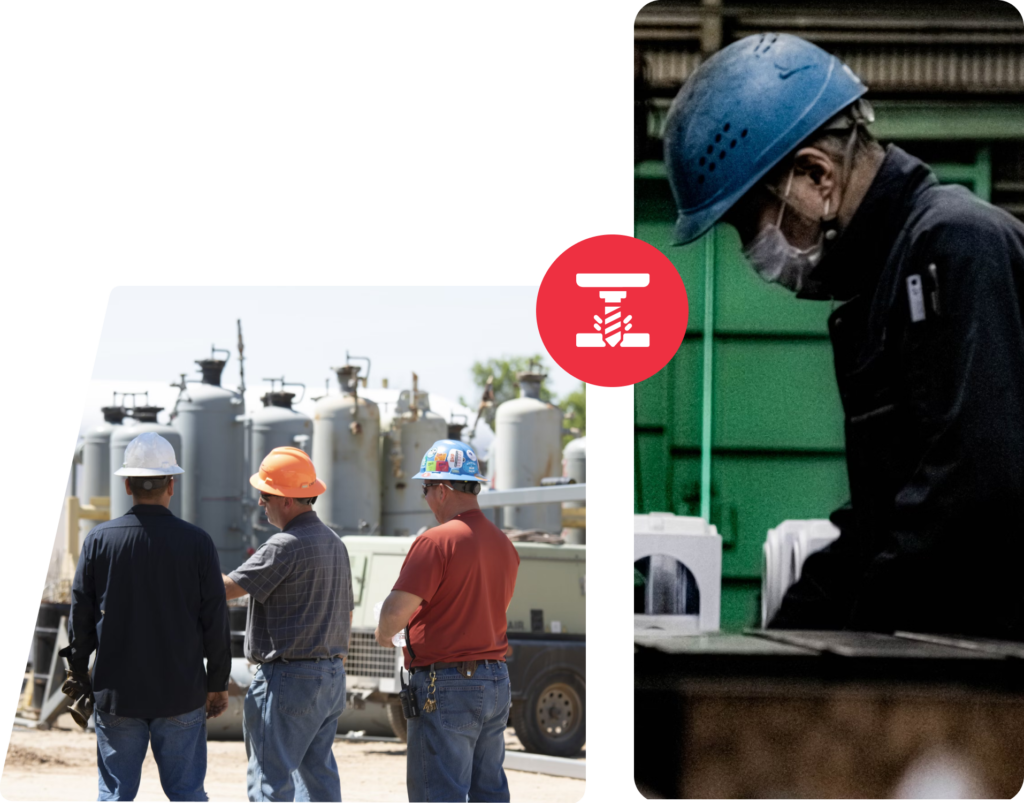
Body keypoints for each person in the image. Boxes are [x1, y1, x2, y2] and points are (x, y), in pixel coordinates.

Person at [663, 32, 1024, 641]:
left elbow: (976, 495)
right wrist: (774, 641)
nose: (754, 253)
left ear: (816, 176)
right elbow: (881, 522)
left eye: (749, 224)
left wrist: (849, 637)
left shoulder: (956, 246)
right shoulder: (880, 290)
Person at [64, 431, 231, 803]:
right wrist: (217, 682)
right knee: (187, 793)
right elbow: (215, 619)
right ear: (172, 484)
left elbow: (81, 614)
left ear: (127, 484)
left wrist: (77, 671)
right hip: (181, 692)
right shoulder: (198, 543)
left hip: (117, 693)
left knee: (115, 795)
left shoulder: (99, 540)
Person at [375, 439, 520, 803]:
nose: (425, 499)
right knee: (489, 790)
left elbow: (394, 615)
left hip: (448, 683)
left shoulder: (436, 542)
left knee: (438, 793)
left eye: (425, 489)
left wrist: (383, 632)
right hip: (495, 679)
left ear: (441, 490)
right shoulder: (504, 544)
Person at [221, 447, 353, 803]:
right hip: (330, 677)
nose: (262, 505)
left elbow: (226, 590)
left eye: (265, 497)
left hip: (288, 679)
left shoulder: (283, 545)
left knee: (270, 780)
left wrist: (187, 565)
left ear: (286, 500)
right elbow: (348, 613)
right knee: (317, 778)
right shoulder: (334, 543)